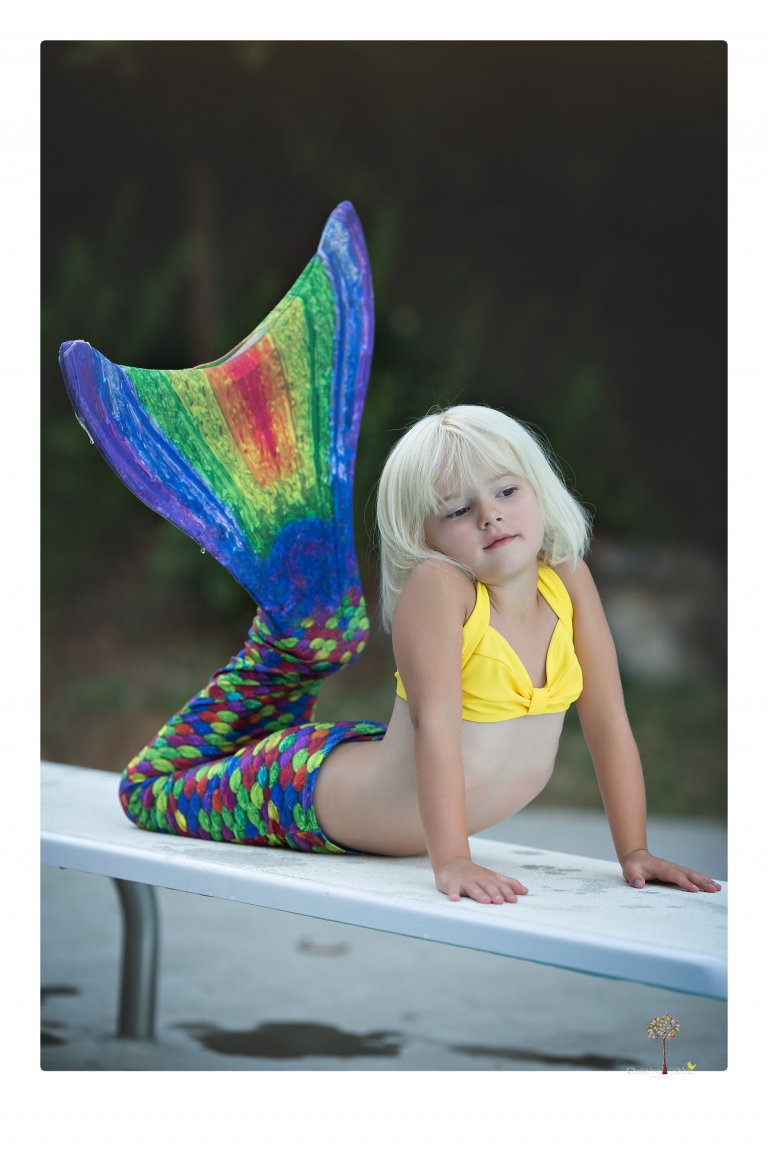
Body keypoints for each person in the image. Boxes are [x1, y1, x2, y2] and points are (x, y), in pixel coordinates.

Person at [118, 403, 721, 906]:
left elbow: (609, 719)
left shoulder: (567, 579)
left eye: (506, 490)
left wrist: (634, 851)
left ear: (539, 491)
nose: (490, 514)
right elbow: (437, 728)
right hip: (296, 791)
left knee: (231, 747)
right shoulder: (440, 588)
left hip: (364, 757)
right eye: (457, 510)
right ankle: (286, 646)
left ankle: (298, 649)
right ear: (421, 535)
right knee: (148, 790)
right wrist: (452, 859)